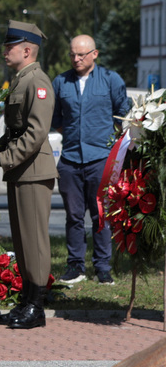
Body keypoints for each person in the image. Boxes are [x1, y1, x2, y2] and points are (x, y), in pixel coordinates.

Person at [52, 35, 129, 286]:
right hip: (71, 159)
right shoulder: (61, 82)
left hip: (101, 160)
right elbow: (56, 119)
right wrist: (75, 136)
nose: (76, 59)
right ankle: (75, 266)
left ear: (94, 54)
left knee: (101, 215)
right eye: (72, 54)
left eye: (81, 55)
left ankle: (102, 266)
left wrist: (109, 142)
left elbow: (123, 114)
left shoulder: (110, 80)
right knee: (74, 216)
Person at [0, 20, 57, 330]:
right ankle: (27, 299)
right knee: (22, 240)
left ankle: (37, 305)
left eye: (10, 46)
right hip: (22, 170)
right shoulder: (20, 80)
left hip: (33, 169)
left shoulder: (37, 82)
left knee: (34, 240)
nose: (5, 51)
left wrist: (4, 158)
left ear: (27, 50)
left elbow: (35, 132)